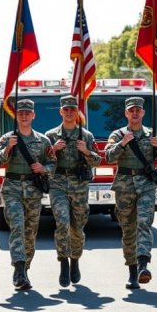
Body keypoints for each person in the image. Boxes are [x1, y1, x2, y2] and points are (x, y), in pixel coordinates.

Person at [104, 97, 157, 289]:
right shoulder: (117, 135)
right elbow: (109, 157)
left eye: (138, 110)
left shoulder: (152, 135)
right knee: (128, 230)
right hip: (124, 186)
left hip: (146, 185)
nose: (135, 113)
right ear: (126, 113)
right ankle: (132, 270)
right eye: (131, 110)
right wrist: (123, 143)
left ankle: (144, 264)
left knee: (144, 223)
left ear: (143, 113)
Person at [0, 99, 56, 290]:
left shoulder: (43, 140)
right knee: (17, 228)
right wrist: (7, 149)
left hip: (33, 190)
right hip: (12, 188)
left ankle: (25, 268)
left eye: (27, 113)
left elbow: (53, 163)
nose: (23, 116)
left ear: (33, 115)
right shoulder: (7, 138)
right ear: (16, 115)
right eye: (20, 113)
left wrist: (43, 168)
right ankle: (19, 269)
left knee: (30, 233)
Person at [44, 95, 101, 287]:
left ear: (77, 112)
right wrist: (53, 149)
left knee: (77, 228)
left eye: (72, 109)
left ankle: (75, 260)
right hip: (58, 183)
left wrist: (86, 151)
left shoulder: (86, 136)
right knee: (62, 223)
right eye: (65, 109)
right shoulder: (50, 135)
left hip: (79, 185)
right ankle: (63, 263)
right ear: (60, 111)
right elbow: (42, 161)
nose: (69, 112)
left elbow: (97, 161)